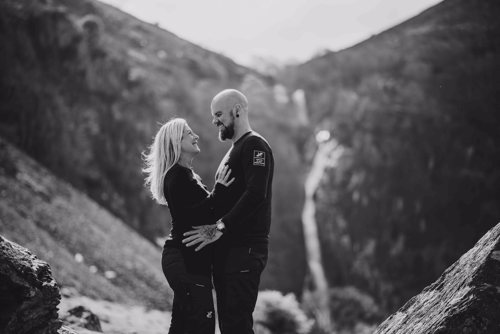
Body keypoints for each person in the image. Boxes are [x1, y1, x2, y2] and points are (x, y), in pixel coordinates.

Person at [182, 89, 274, 334]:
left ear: (238, 110)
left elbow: (256, 194)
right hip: (229, 253)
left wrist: (220, 227)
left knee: (236, 326)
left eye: (219, 114)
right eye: (213, 116)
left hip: (245, 251)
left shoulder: (255, 145)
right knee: (230, 327)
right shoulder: (235, 148)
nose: (214, 121)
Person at [143, 118, 234, 334]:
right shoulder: (176, 176)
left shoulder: (186, 175)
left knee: (182, 325)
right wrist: (220, 190)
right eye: (189, 133)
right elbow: (195, 214)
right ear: (176, 142)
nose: (196, 136)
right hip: (185, 262)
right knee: (201, 326)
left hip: (190, 262)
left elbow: (204, 212)